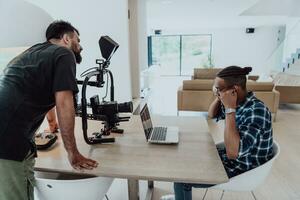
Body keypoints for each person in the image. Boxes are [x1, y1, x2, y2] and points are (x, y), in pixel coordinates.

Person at [0, 20, 98, 200]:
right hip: (8, 141)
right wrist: (72, 152)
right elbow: (63, 103)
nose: (80, 46)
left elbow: (42, 92)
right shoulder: (64, 54)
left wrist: (52, 125)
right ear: (66, 39)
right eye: (78, 39)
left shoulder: (33, 52)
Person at [170, 66, 274, 200]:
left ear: (234, 90)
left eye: (218, 89)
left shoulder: (256, 111)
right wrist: (220, 98)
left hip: (242, 168)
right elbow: (211, 114)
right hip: (229, 159)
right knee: (188, 155)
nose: (216, 91)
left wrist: (230, 108)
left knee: (181, 177)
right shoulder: (239, 101)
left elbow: (232, 153)